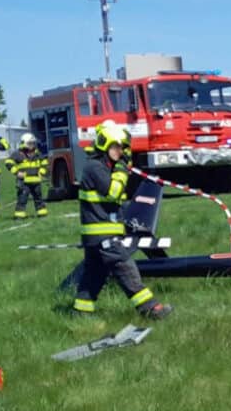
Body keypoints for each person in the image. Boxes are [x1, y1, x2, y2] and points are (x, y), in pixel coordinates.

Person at [72, 121, 172, 319]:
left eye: (122, 148)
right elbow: (113, 192)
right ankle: (150, 309)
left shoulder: (104, 167)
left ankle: (81, 313)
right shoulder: (94, 167)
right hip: (102, 234)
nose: (121, 152)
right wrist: (121, 170)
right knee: (125, 266)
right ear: (105, 145)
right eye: (117, 147)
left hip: (99, 235)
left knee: (94, 275)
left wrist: (120, 168)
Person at [5, 133, 49, 218]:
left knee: (39, 199)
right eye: (29, 143)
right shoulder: (18, 154)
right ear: (24, 143)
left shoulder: (37, 154)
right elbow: (8, 162)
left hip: (36, 181)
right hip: (24, 182)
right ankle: (19, 215)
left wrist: (42, 172)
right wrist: (17, 172)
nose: (32, 145)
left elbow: (44, 163)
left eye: (33, 143)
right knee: (22, 199)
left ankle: (42, 213)